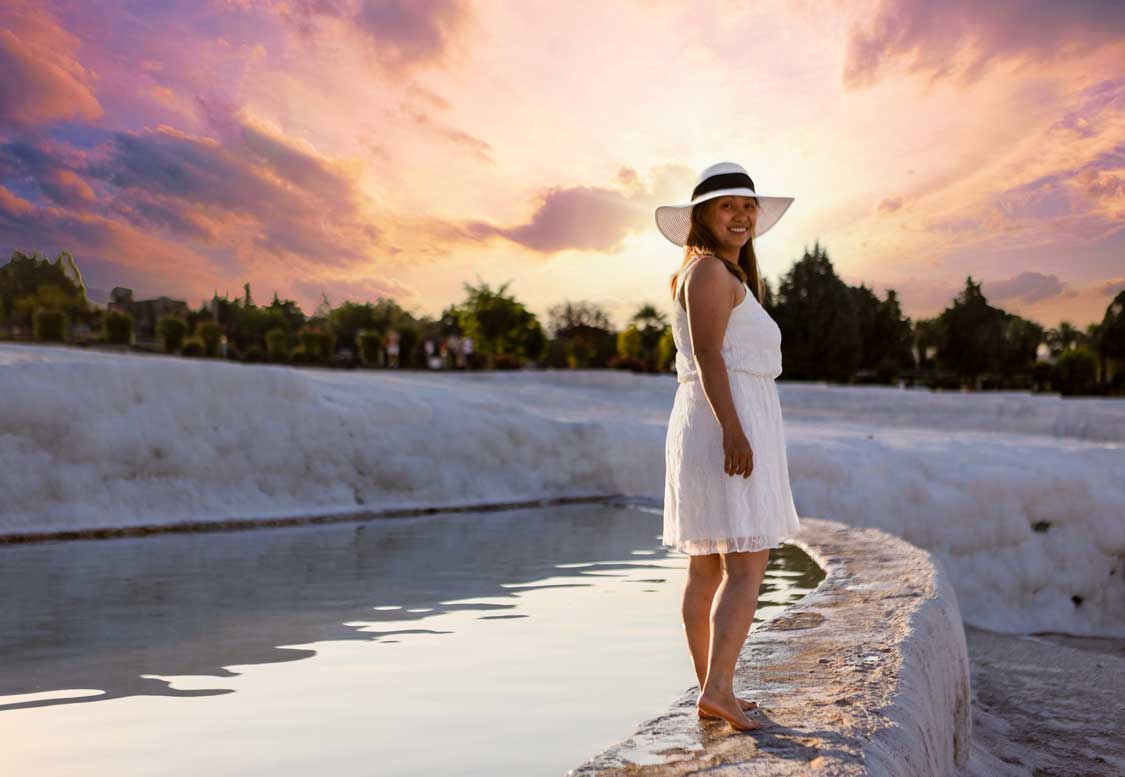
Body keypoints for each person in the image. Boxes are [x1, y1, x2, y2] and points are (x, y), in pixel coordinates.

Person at [656, 161, 801, 732]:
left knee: (708, 568)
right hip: (724, 421)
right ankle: (717, 690)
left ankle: (715, 690)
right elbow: (710, 355)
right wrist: (735, 430)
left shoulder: (713, 273)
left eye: (748, 205)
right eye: (727, 206)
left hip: (715, 419)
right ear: (703, 217)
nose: (741, 215)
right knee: (745, 565)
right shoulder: (711, 273)